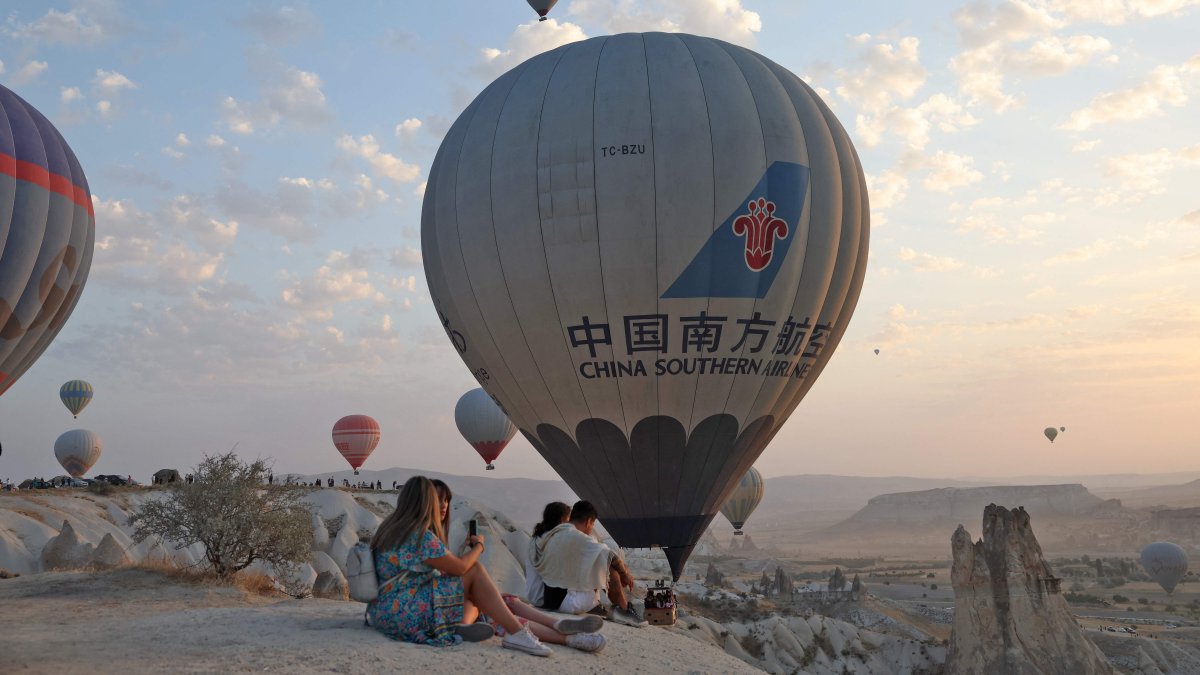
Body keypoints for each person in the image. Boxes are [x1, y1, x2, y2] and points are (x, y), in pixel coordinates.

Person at [369, 476, 605, 655]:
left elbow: (436, 571)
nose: (441, 505)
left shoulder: (392, 531)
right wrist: (479, 548)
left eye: (446, 500)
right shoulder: (419, 535)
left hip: (390, 610)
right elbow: (461, 569)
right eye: (436, 499)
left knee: (493, 601)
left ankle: (563, 633)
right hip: (407, 613)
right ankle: (540, 634)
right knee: (479, 580)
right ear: (425, 502)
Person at [531, 500, 647, 627]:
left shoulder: (554, 535)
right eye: (592, 524)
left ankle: (620, 609)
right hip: (568, 603)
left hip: (550, 600)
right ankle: (624, 611)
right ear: (588, 521)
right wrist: (624, 574)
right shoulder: (577, 536)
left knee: (600, 559)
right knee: (609, 567)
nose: (591, 528)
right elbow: (611, 556)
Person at [526, 502, 571, 608]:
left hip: (533, 596)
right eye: (569, 518)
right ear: (562, 519)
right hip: (545, 598)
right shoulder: (555, 540)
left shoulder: (536, 539)